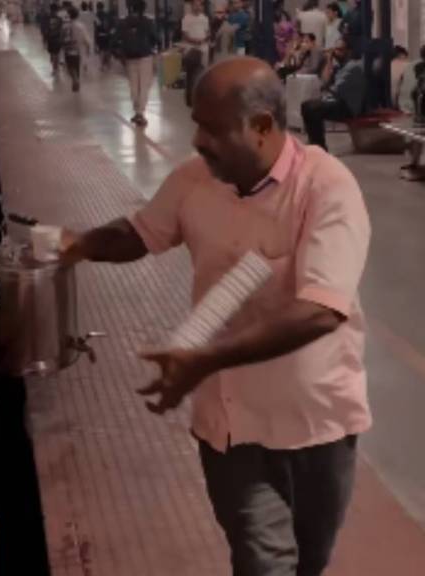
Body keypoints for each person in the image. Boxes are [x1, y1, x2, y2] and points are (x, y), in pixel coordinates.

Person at [61, 56, 371, 576]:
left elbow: (321, 311)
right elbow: (140, 233)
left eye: (212, 130)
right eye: (196, 124)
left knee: (309, 562)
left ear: (263, 128)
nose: (198, 142)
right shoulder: (194, 181)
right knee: (261, 562)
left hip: (316, 421)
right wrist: (78, 244)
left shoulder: (326, 188)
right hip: (230, 424)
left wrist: (205, 358)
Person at [301, 37, 364, 151]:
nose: (336, 53)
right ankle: (315, 141)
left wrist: (327, 90)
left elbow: (334, 89)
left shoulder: (353, 67)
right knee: (306, 105)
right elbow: (325, 81)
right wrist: (329, 60)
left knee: (313, 109)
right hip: (337, 100)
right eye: (335, 50)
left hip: (347, 106)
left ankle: (319, 145)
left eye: (339, 50)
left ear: (348, 51)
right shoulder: (340, 66)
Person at [115, 0, 158, 126]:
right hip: (145, 56)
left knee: (133, 86)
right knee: (144, 86)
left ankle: (136, 111)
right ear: (143, 8)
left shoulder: (123, 22)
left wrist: (120, 55)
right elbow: (156, 38)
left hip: (129, 57)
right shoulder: (148, 22)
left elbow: (114, 41)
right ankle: (140, 113)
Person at [181, 0, 210, 107]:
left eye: (200, 5)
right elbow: (184, 35)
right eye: (195, 5)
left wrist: (205, 39)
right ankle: (190, 100)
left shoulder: (204, 18)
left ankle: (200, 98)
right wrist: (195, 41)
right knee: (191, 76)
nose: (197, 7)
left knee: (202, 74)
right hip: (191, 50)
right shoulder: (186, 18)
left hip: (203, 50)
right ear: (192, 6)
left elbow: (207, 33)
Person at [63, 6, 92, 92]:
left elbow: (62, 38)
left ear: (69, 15)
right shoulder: (81, 26)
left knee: (70, 68)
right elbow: (86, 39)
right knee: (76, 66)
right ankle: (76, 81)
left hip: (68, 49)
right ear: (77, 15)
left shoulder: (65, 26)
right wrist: (88, 47)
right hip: (78, 49)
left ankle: (75, 80)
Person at [45, 2, 66, 76]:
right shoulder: (59, 19)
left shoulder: (47, 18)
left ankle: (55, 68)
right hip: (57, 38)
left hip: (50, 39)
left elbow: (45, 29)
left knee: (53, 54)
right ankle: (55, 68)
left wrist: (45, 38)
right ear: (57, 10)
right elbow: (61, 29)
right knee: (56, 54)